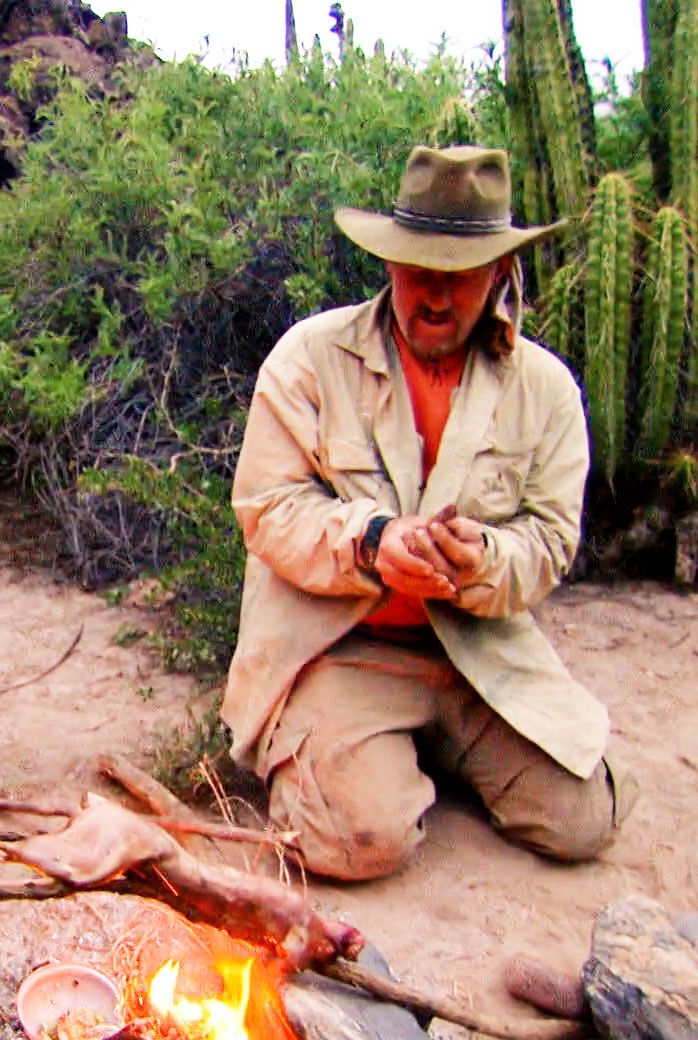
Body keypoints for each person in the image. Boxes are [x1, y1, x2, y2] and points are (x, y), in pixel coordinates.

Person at [221, 145, 635, 882]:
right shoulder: (308, 358)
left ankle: (418, 748)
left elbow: (548, 541)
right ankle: (352, 753)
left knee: (584, 822)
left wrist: (482, 561)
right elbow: (268, 507)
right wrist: (373, 543)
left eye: (459, 276)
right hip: (342, 642)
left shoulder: (547, 390)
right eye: (418, 271)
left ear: (501, 276)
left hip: (475, 648)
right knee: (360, 844)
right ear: (387, 264)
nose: (434, 297)